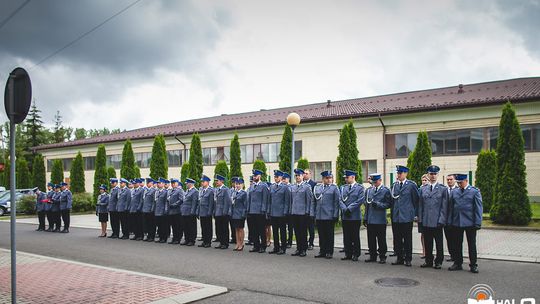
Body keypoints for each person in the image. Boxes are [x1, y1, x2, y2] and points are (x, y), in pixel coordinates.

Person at [447, 173, 482, 274]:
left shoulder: (474, 191)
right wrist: (450, 221)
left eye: (461, 182)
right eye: (458, 183)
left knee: (471, 244)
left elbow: (478, 208)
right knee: (457, 244)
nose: (459, 184)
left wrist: (478, 222)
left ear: (466, 181)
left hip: (470, 222)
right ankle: (458, 263)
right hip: (457, 221)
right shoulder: (454, 192)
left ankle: (473, 264)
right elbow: (451, 208)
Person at [418, 166, 448, 269]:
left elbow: (444, 207)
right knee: (428, 242)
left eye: (435, 174)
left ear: (438, 175)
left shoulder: (443, 189)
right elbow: (420, 205)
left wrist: (442, 220)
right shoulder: (423, 189)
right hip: (426, 221)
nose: (433, 176)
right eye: (431, 174)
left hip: (437, 221)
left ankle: (439, 261)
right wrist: (420, 219)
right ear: (428, 175)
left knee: (439, 243)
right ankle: (428, 260)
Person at [390, 165, 419, 267]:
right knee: (397, 238)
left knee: (407, 239)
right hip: (396, 216)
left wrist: (415, 214)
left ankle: (408, 258)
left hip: (406, 216)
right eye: (397, 173)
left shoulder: (411, 185)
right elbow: (392, 201)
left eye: (400, 173)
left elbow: (416, 200)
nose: (398, 175)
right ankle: (399, 257)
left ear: (405, 174)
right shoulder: (394, 185)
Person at [364, 173, 392, 264]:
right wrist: (365, 217)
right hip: (371, 218)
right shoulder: (369, 190)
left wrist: (379, 204)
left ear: (380, 181)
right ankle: (372, 255)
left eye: (376, 182)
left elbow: (388, 204)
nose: (374, 184)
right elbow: (367, 205)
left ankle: (382, 256)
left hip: (380, 219)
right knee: (371, 239)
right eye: (373, 182)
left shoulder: (385, 190)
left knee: (381, 239)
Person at [311, 171, 340, 259]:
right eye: (327, 178)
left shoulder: (334, 188)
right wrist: (314, 214)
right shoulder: (318, 187)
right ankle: (322, 251)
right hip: (319, 215)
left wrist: (335, 215)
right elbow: (314, 202)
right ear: (323, 179)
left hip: (329, 215)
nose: (329, 180)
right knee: (321, 234)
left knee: (329, 235)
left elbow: (336, 203)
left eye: (330, 178)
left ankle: (329, 251)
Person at [339, 169, 365, 262]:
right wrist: (344, 208)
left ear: (353, 177)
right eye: (345, 177)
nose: (345, 179)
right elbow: (339, 199)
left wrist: (349, 208)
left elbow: (360, 200)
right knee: (346, 236)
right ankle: (348, 253)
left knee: (355, 236)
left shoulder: (360, 188)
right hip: (345, 215)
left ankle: (356, 254)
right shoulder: (343, 187)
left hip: (354, 215)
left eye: (347, 177)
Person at [289, 168, 313, 257]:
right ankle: (298, 248)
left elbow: (309, 200)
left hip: (303, 213)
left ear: (303, 176)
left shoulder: (307, 187)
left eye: (299, 175)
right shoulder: (293, 187)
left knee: (303, 232)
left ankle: (303, 249)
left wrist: (308, 212)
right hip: (295, 212)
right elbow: (292, 201)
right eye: (296, 176)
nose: (297, 177)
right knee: (297, 232)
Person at [268, 170, 291, 255]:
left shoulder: (285, 187)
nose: (275, 178)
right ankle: (276, 247)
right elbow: (270, 201)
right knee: (275, 231)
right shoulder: (272, 187)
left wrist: (285, 212)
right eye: (275, 177)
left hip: (281, 213)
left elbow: (287, 201)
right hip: (273, 212)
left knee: (282, 231)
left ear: (281, 177)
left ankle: (283, 247)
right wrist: (269, 211)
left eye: (277, 177)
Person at [247, 169, 270, 253]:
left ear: (259, 176)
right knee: (254, 230)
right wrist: (248, 209)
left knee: (261, 230)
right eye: (253, 176)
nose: (254, 177)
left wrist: (264, 210)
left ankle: (263, 246)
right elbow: (250, 199)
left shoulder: (263, 186)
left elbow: (265, 199)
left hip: (260, 211)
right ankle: (256, 246)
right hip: (252, 211)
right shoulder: (252, 186)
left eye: (255, 176)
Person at [213, 174, 232, 249]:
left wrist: (225, 212)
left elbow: (227, 202)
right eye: (216, 181)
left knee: (224, 228)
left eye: (217, 181)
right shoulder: (217, 189)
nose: (216, 182)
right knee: (219, 228)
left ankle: (225, 243)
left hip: (223, 212)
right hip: (217, 211)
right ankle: (221, 242)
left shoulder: (225, 189)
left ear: (221, 181)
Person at [230, 177, 247, 251]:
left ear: (242, 185)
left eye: (239, 184)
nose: (237, 185)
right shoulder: (234, 193)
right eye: (236, 184)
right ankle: (237, 243)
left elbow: (245, 205)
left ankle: (241, 243)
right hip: (234, 214)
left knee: (240, 229)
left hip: (240, 214)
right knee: (236, 229)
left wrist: (243, 214)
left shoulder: (244, 193)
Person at [197, 175, 215, 247]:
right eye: (201, 182)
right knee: (203, 227)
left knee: (208, 227)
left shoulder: (210, 191)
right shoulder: (201, 190)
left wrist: (209, 212)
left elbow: (211, 203)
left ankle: (208, 242)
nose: (202, 183)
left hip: (207, 212)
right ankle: (204, 241)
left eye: (203, 182)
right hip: (202, 212)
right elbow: (199, 202)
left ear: (207, 182)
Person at [181, 178, 198, 246]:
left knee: (191, 227)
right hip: (185, 212)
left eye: (187, 183)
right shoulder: (187, 191)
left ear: (190, 184)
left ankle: (192, 240)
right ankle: (187, 239)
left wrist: (192, 212)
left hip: (190, 212)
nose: (186, 185)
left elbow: (194, 203)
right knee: (186, 226)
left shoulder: (195, 191)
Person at [445, 174, 458, 262]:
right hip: (446, 220)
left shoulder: (458, 190)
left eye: (451, 179)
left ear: (455, 180)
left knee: (456, 239)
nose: (449, 181)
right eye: (448, 180)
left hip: (455, 219)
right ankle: (452, 255)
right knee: (448, 238)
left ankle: (457, 256)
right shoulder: (445, 190)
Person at [303, 169, 317, 250]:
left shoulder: (314, 184)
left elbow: (314, 198)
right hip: (303, 210)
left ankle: (311, 243)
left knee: (311, 228)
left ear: (310, 174)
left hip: (310, 209)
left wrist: (313, 211)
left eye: (306, 173)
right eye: (304, 173)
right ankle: (304, 243)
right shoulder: (301, 184)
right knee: (303, 228)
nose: (305, 175)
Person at [167, 178, 184, 244]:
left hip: (177, 211)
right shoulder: (171, 191)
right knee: (173, 226)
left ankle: (178, 239)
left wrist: (174, 205)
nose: (173, 184)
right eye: (172, 183)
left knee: (177, 226)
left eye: (174, 183)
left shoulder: (180, 190)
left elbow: (181, 200)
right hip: (171, 211)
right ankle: (174, 238)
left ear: (177, 183)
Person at [154, 178, 170, 243]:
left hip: (163, 211)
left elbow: (166, 202)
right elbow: (155, 202)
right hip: (157, 211)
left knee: (164, 226)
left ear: (163, 184)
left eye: (159, 183)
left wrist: (165, 210)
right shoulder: (157, 192)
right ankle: (160, 237)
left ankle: (164, 238)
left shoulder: (166, 192)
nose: (158, 184)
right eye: (157, 183)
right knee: (159, 226)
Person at [419, 174, 429, 259]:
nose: (424, 182)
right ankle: (424, 251)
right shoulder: (419, 189)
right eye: (423, 180)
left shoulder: (431, 189)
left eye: (426, 180)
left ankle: (429, 252)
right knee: (422, 234)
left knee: (428, 235)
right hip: (422, 216)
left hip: (429, 216)